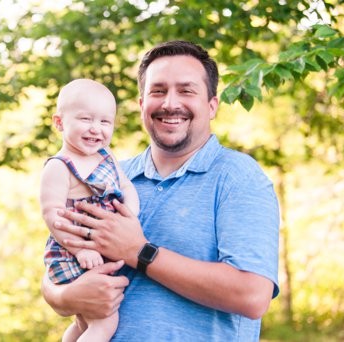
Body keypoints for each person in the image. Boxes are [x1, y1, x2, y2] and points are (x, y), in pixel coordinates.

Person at [39, 40, 280, 341]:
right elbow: (55, 264)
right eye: (158, 91)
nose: (169, 103)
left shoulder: (238, 178)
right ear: (142, 104)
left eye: (186, 90)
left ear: (211, 106)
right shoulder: (108, 177)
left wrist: (139, 252)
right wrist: (67, 297)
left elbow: (252, 296)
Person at [40, 78, 140, 342]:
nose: (96, 129)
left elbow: (127, 187)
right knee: (105, 323)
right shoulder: (59, 166)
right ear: (60, 122)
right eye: (86, 119)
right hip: (72, 253)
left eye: (105, 122)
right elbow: (53, 217)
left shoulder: (106, 158)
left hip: (98, 250)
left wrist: (130, 214)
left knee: (85, 324)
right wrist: (80, 249)